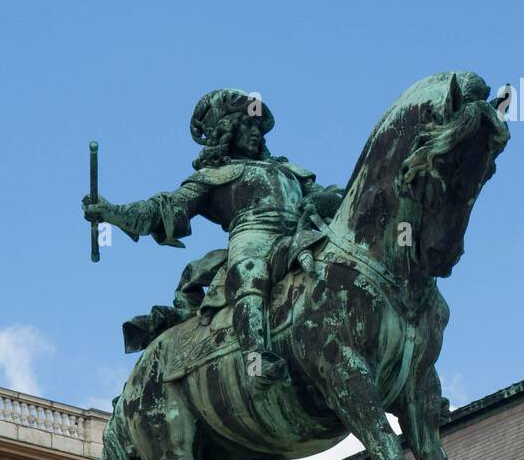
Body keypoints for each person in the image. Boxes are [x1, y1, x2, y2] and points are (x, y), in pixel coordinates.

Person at [82, 88, 343, 384]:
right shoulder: (214, 176)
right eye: (246, 125)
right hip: (254, 237)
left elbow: (331, 196)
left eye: (257, 126)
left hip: (303, 233)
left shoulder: (289, 171)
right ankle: (256, 359)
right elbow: (163, 208)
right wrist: (111, 212)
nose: (255, 132)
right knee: (250, 270)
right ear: (227, 131)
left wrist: (328, 199)